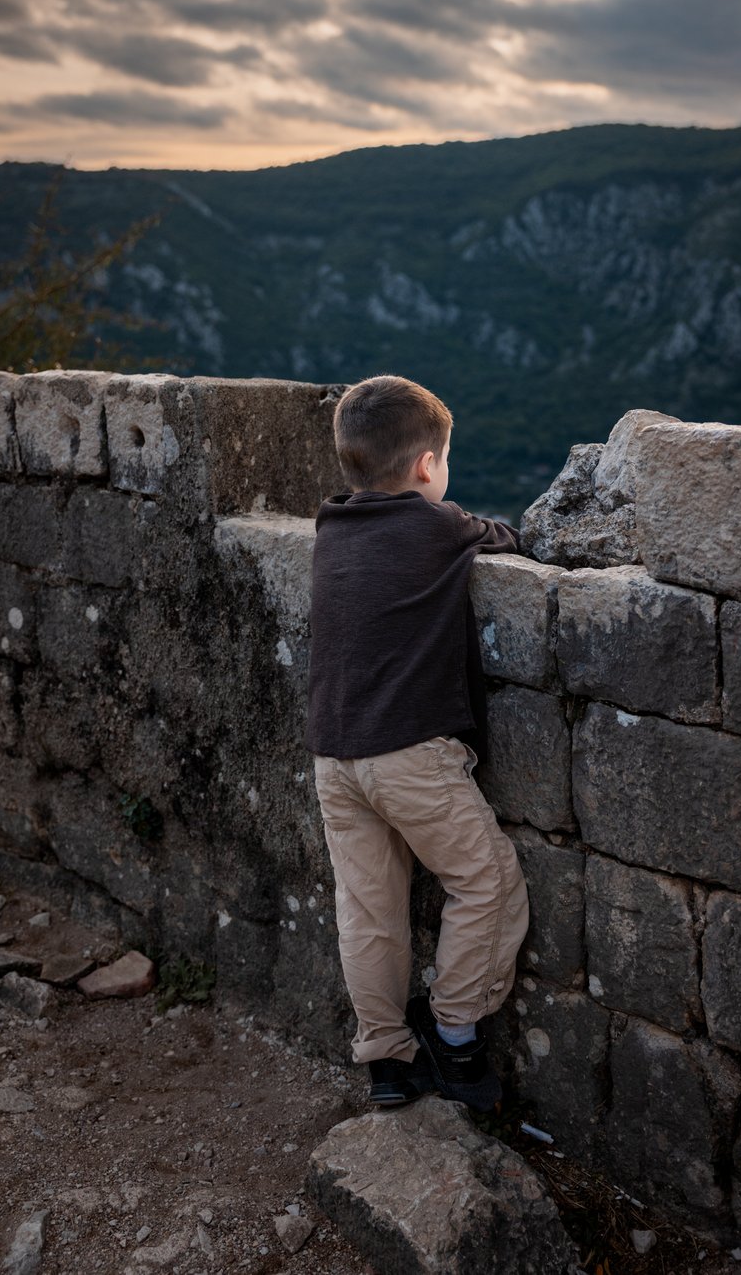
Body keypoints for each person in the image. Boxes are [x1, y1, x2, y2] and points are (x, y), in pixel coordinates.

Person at [306, 374, 530, 1110]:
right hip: (407, 754)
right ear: (428, 467)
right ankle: (455, 1036)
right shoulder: (440, 525)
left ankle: (386, 1060)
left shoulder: (331, 526)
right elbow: (505, 537)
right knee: (487, 880)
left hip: (335, 756)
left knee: (368, 911)